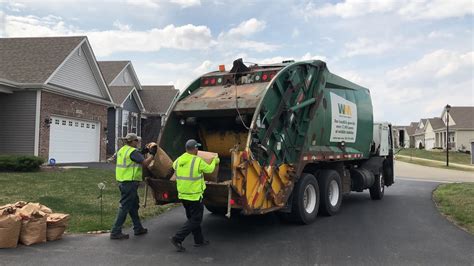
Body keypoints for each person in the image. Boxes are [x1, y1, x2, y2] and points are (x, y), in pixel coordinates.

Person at [170, 139, 219, 252]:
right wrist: (215, 161)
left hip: (183, 195)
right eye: (197, 148)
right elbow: (210, 169)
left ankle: (199, 240)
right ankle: (177, 238)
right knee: (196, 220)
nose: (198, 150)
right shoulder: (197, 161)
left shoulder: (179, 159)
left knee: (192, 219)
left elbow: (173, 166)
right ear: (195, 149)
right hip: (194, 196)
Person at [110, 133, 156, 240]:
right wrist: (152, 155)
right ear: (132, 141)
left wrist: (143, 151)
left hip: (123, 182)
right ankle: (115, 231)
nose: (138, 142)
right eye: (137, 141)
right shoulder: (133, 152)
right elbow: (145, 163)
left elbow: (135, 155)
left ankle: (138, 228)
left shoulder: (122, 150)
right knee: (125, 206)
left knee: (133, 206)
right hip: (129, 183)